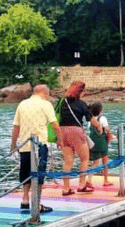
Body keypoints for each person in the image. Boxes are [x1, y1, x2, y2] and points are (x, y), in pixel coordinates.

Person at [11, 83, 63, 213]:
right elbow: (55, 125)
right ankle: (37, 202)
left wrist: (13, 145)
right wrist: (60, 141)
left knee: (25, 172)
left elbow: (16, 127)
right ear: (45, 93)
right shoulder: (46, 104)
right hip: (40, 145)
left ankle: (25, 200)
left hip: (25, 144)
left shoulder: (22, 104)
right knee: (39, 174)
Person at [59, 81, 102, 195]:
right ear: (80, 92)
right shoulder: (82, 104)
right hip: (76, 131)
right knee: (84, 158)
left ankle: (66, 188)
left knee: (68, 161)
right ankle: (82, 185)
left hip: (62, 131)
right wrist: (99, 127)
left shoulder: (61, 102)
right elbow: (91, 120)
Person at [88, 102, 113, 187]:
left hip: (93, 142)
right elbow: (106, 129)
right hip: (102, 141)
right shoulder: (102, 118)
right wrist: (111, 135)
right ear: (100, 110)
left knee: (95, 163)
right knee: (105, 160)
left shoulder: (90, 119)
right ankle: (106, 180)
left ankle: (89, 180)